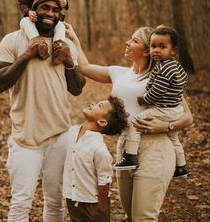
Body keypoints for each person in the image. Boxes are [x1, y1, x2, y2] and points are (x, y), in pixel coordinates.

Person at [64, 24, 193, 221]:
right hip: (125, 149)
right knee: (130, 216)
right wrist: (75, 39)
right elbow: (85, 67)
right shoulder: (119, 73)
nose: (127, 42)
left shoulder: (161, 77)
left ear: (148, 50)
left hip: (155, 148)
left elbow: (187, 117)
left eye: (134, 40)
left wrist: (165, 126)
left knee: (143, 217)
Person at [0, 0, 86, 222]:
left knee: (55, 202)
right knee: (21, 203)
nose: (50, 13)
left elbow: (77, 88)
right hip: (25, 137)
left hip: (60, 135)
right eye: (44, 7)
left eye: (55, 9)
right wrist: (27, 55)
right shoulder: (13, 40)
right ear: (33, 11)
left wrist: (69, 60)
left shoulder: (64, 45)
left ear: (60, 14)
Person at [114, 26, 189, 178]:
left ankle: (130, 156)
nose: (156, 50)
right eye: (153, 46)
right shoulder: (173, 66)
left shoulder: (165, 69)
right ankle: (181, 167)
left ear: (173, 50)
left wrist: (144, 99)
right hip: (174, 109)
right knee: (174, 138)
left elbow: (157, 91)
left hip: (164, 108)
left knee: (135, 121)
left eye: (162, 47)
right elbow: (183, 81)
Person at [63, 96, 129, 222]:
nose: (93, 103)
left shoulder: (99, 149)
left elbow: (104, 181)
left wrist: (100, 209)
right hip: (73, 197)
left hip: (93, 203)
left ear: (102, 122)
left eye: (99, 106)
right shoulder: (72, 132)